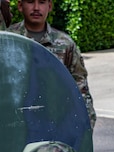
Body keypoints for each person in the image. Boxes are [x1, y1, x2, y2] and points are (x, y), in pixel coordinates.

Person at [8, 0, 97, 129]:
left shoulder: (65, 44)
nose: (36, 8)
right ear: (20, 6)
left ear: (49, 6)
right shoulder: (6, 40)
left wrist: (84, 129)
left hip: (54, 125)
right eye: (30, 2)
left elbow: (80, 90)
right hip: (15, 124)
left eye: (42, 2)